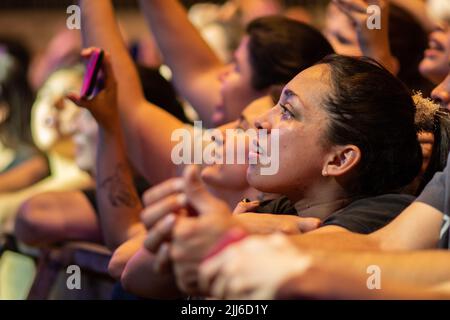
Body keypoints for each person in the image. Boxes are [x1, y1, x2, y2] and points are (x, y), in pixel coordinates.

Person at [137, 54, 425, 296]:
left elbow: (317, 252)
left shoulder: (386, 212)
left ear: (339, 158)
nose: (261, 122)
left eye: (287, 111)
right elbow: (133, 275)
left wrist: (239, 230)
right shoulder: (281, 209)